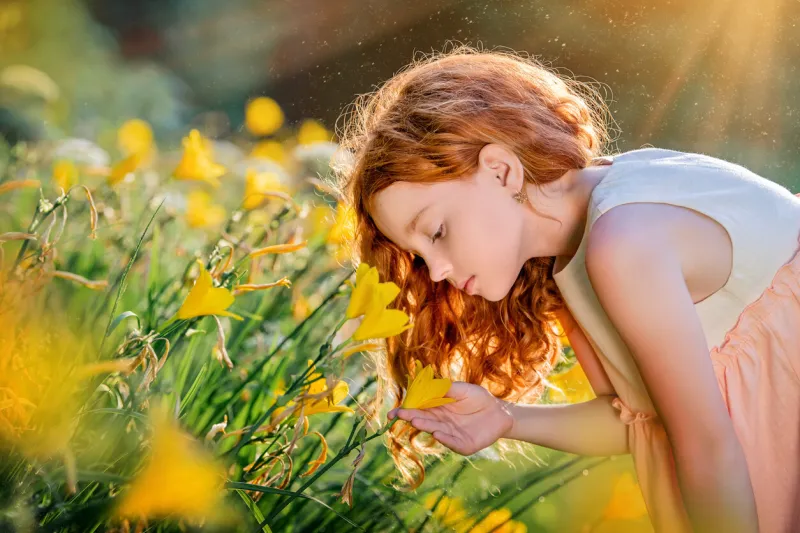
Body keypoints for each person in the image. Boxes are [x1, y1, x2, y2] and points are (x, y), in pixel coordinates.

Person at [330, 45, 800, 533]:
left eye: (437, 233)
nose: (439, 270)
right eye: (421, 258)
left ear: (500, 170)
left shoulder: (624, 241)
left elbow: (707, 447)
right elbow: (642, 419)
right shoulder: (570, 259)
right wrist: (507, 419)